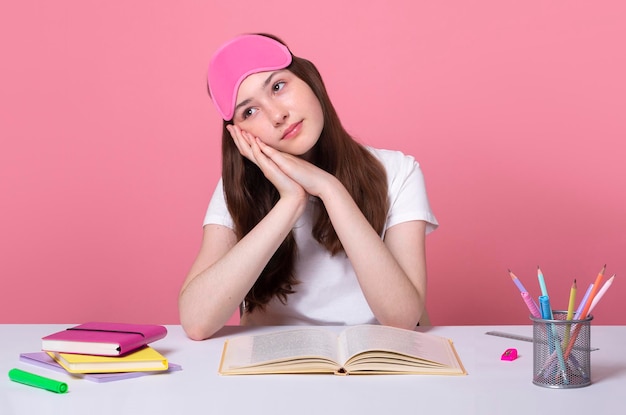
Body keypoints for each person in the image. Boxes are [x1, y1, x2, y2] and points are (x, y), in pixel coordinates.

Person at [179, 33, 438, 340]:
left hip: (374, 359)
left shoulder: (398, 171)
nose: (277, 116)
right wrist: (290, 201)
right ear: (239, 136)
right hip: (275, 365)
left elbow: (402, 317)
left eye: (278, 87)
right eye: (250, 111)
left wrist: (330, 189)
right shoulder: (238, 190)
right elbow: (196, 322)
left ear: (309, 79)